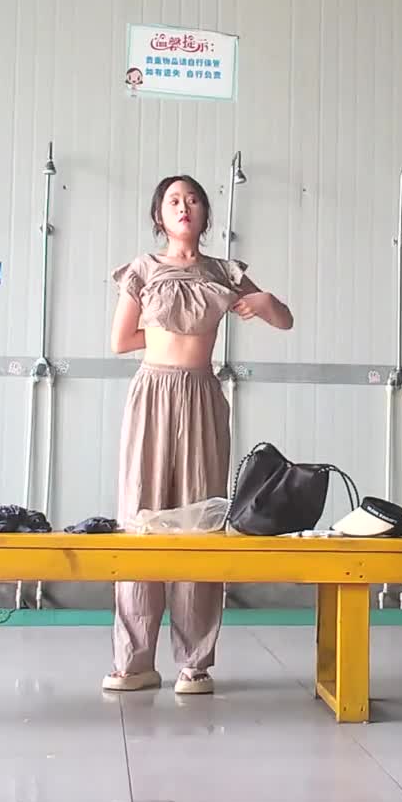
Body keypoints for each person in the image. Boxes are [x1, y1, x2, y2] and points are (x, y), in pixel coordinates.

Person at [104, 173, 293, 695]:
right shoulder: (142, 269)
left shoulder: (223, 272)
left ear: (205, 214)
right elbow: (120, 340)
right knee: (140, 516)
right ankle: (134, 661)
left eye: (192, 200)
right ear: (159, 216)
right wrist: (166, 333)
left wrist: (264, 302)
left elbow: (284, 320)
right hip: (151, 395)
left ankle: (195, 662)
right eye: (173, 201)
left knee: (201, 518)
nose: (183, 207)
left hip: (203, 396)